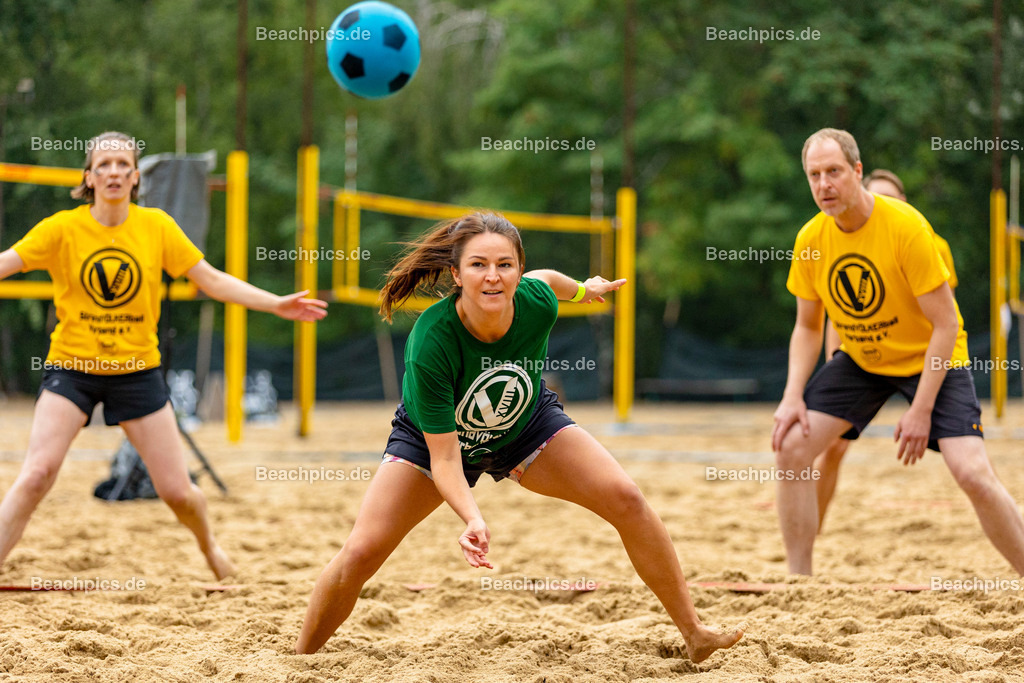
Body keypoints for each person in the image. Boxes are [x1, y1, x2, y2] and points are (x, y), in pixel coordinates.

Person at [295, 212, 743, 662]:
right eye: (478, 265)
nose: (493, 277)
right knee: (363, 550)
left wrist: (587, 290)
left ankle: (695, 632)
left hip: (524, 424)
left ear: (518, 271)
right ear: (455, 273)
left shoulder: (536, 301)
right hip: (438, 439)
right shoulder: (431, 340)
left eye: (505, 265)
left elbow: (551, 281)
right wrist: (472, 518)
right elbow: (447, 459)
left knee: (626, 497)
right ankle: (300, 659)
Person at [0, 131, 327, 579]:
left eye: (122, 164)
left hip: (138, 373)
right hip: (72, 369)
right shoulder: (62, 228)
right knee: (37, 474)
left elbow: (211, 280)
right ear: (89, 177)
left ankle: (211, 551)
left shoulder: (156, 226)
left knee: (178, 492)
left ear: (135, 177)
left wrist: (275, 303)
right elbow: (6, 263)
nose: (113, 171)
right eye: (104, 164)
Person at [772, 127, 1024, 576]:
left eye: (833, 172)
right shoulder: (810, 240)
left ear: (857, 171)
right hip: (864, 360)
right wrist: (793, 394)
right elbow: (808, 326)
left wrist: (921, 410)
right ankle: (799, 580)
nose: (824, 184)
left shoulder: (907, 228)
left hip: (931, 356)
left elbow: (947, 325)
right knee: (791, 446)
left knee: (971, 473)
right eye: (814, 175)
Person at [813, 168, 958, 532]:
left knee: (965, 456)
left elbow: (946, 317)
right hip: (866, 359)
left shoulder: (925, 240)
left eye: (891, 199)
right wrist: (835, 361)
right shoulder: (840, 239)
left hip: (920, 360)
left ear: (904, 204)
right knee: (830, 448)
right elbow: (836, 316)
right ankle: (808, 532)